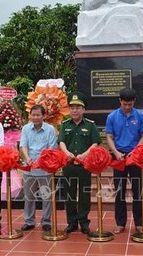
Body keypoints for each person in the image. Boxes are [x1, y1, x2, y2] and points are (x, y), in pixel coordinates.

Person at [105, 87, 143, 234]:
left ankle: (139, 222)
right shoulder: (112, 117)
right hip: (119, 157)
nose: (127, 107)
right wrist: (116, 152)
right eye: (125, 104)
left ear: (134, 102)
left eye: (130, 104)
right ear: (120, 101)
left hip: (136, 157)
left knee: (138, 191)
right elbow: (109, 137)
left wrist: (135, 151)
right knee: (120, 190)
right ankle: (120, 222)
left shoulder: (140, 116)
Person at [58, 92, 102, 234]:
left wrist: (85, 154)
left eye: (78, 107)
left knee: (84, 194)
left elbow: (95, 142)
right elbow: (61, 142)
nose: (74, 110)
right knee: (69, 194)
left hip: (84, 165)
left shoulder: (90, 125)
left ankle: (84, 222)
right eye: (72, 107)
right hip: (69, 165)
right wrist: (66, 152)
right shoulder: (65, 125)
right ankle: (71, 222)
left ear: (83, 110)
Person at [20, 104, 57, 232]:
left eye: (38, 115)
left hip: (45, 169)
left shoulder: (50, 129)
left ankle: (46, 221)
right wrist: (27, 157)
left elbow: (52, 148)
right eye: (33, 115)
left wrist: (42, 161)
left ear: (44, 116)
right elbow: (23, 145)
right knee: (29, 196)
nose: (35, 117)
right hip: (29, 168)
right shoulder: (25, 128)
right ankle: (29, 221)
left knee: (46, 197)